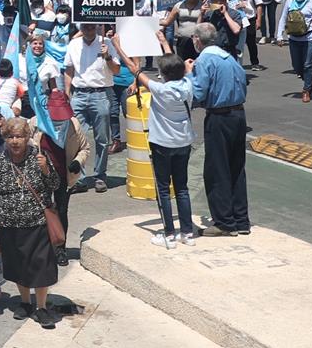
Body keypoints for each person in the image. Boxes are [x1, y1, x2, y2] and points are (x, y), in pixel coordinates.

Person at [116, 38, 197, 247]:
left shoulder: (160, 90)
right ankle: (187, 232)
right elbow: (176, 65)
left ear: (164, 74)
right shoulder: (188, 84)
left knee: (163, 189)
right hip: (183, 142)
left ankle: (169, 234)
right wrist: (164, 43)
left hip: (162, 144)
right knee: (182, 188)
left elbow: (134, 69)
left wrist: (117, 46)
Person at [0, 117, 61, 328]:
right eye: (10, 137)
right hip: (8, 224)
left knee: (41, 266)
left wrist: (46, 170)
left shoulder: (39, 157)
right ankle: (25, 302)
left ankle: (41, 307)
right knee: (18, 265)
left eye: (19, 136)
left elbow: (55, 184)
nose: (15, 141)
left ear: (27, 137)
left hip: (37, 223)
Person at [188, 25, 250, 236]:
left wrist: (188, 75)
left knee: (217, 170)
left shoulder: (204, 60)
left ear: (198, 39)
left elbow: (198, 93)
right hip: (238, 114)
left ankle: (224, 222)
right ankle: (241, 220)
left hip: (219, 116)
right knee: (236, 168)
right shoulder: (228, 57)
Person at [63, 23, 119, 191]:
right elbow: (69, 69)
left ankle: (100, 175)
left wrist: (107, 56)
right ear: (81, 29)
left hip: (100, 94)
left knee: (102, 139)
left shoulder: (106, 43)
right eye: (85, 28)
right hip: (79, 94)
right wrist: (67, 92)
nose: (89, 30)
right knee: (75, 138)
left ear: (96, 28)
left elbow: (116, 70)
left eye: (92, 27)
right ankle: (78, 178)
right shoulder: (74, 44)